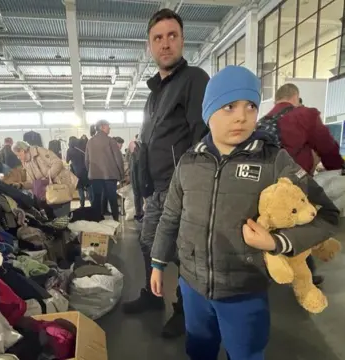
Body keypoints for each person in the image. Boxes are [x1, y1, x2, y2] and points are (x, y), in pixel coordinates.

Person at [150, 66, 339, 359]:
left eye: (250, 106)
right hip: (192, 286)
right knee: (199, 348)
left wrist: (276, 243)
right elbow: (171, 216)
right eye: (229, 107)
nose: (241, 116)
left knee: (246, 353)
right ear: (209, 113)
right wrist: (158, 263)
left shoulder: (275, 161)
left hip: (244, 291)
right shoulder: (188, 163)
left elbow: (327, 215)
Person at [123, 8, 210, 339]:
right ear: (150, 46)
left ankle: (185, 311)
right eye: (158, 38)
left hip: (182, 189)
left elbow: (202, 137)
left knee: (183, 254)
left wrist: (192, 188)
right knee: (148, 243)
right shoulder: (154, 94)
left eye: (172, 36)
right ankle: (152, 294)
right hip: (155, 188)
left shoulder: (194, 80)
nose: (165, 43)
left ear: (182, 40)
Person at [259, 83, 345, 285]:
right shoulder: (305, 115)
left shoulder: (263, 121)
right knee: (305, 223)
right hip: (296, 183)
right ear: (296, 97)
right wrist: (338, 168)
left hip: (268, 186)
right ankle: (306, 275)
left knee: (273, 226)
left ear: (276, 100)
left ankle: (274, 270)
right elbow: (327, 147)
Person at [12, 140, 78, 217]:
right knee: (52, 218)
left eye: (18, 155)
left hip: (60, 188)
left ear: (22, 151)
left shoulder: (39, 151)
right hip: (48, 194)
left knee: (62, 217)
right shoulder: (27, 163)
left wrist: (47, 178)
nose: (18, 157)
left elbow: (58, 163)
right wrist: (21, 185)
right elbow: (32, 183)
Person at [85, 120, 124, 221]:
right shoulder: (111, 141)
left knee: (96, 199)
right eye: (108, 126)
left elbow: (86, 160)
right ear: (102, 127)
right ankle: (116, 220)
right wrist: (121, 174)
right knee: (112, 199)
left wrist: (90, 171)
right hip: (110, 176)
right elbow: (118, 159)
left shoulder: (90, 141)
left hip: (95, 176)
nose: (109, 128)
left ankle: (97, 221)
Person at [66, 136, 90, 208]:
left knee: (80, 189)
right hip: (86, 171)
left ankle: (82, 205)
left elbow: (67, 160)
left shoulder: (69, 150)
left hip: (77, 172)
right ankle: (92, 202)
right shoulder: (83, 148)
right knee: (89, 188)